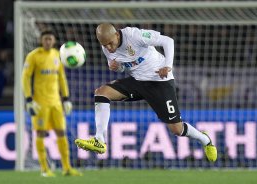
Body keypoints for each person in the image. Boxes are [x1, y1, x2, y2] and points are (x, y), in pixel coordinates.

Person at [75, 23, 217, 162]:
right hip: (137, 81)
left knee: (177, 129)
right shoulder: (106, 47)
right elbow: (123, 67)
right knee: (102, 92)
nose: (108, 48)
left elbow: (168, 41)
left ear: (117, 34)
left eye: (110, 43)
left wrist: (168, 66)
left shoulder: (135, 35)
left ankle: (205, 139)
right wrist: (117, 67)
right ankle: (99, 139)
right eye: (104, 45)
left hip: (159, 81)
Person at [21, 30, 82, 177]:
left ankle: (67, 168)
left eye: (50, 39)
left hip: (56, 103)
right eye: (45, 39)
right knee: (41, 133)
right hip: (40, 103)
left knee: (61, 133)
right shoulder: (33, 56)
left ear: (54, 41)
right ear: (42, 40)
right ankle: (44, 169)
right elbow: (25, 77)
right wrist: (29, 99)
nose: (48, 41)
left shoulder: (57, 55)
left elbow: (62, 78)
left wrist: (66, 98)